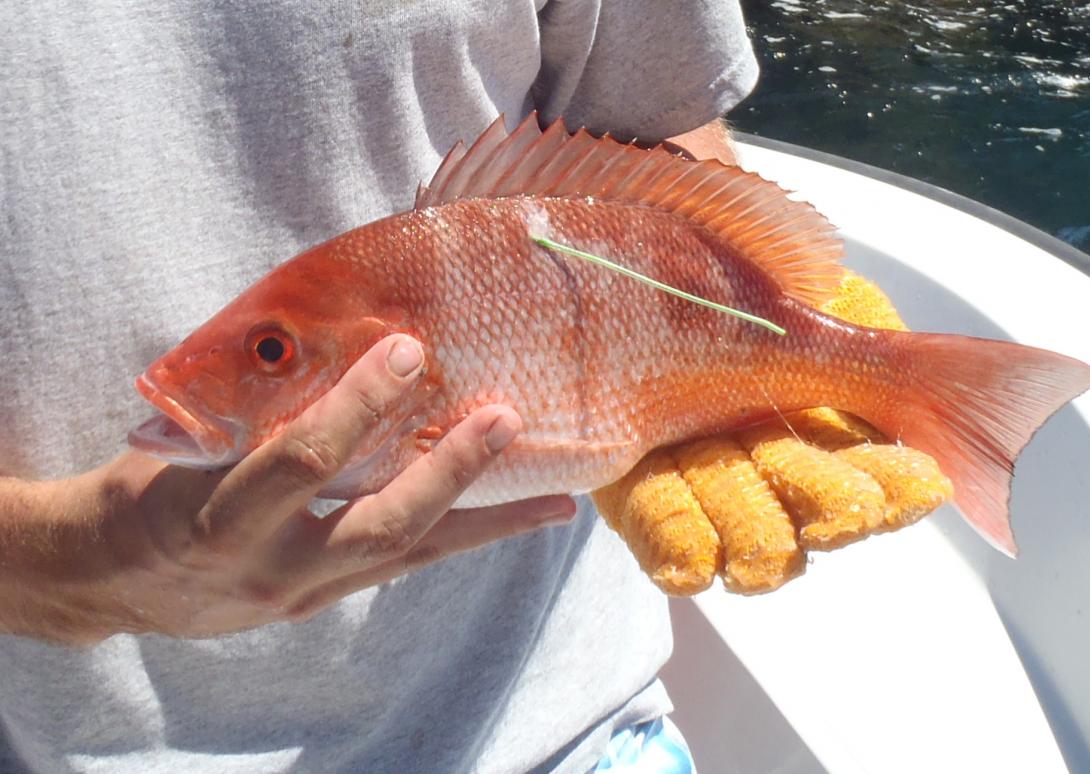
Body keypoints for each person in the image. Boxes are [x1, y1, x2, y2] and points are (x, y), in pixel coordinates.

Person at [0, 1, 759, 771]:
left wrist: (768, 350)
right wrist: (72, 563)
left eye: (269, 352)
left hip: (575, 737)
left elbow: (655, 127)